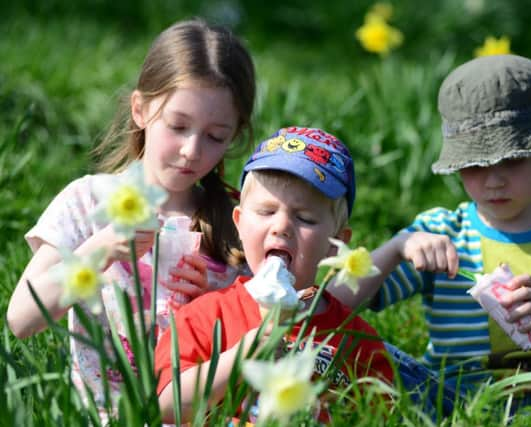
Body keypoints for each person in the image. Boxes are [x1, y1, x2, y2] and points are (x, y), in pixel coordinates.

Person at [328, 54, 531, 413]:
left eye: (513, 160)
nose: (494, 180)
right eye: (475, 165)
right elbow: (334, 307)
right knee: (345, 346)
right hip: (448, 400)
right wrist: (396, 248)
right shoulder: (441, 233)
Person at [6, 18, 256, 418]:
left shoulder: (236, 222)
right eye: (178, 126)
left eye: (215, 136)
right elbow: (22, 319)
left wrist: (215, 303)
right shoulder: (88, 202)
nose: (192, 150)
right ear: (140, 109)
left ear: (235, 135)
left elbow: (260, 341)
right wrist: (98, 250)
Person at [154, 126, 394, 424]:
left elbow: (385, 416)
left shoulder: (354, 339)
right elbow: (166, 404)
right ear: (239, 224)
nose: (282, 226)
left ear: (337, 244)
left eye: (304, 218)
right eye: (266, 212)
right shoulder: (205, 317)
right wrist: (243, 355)